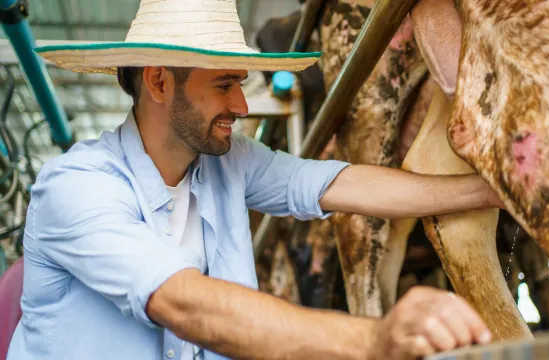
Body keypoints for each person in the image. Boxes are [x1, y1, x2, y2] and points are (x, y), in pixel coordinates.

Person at [8, 1, 504, 359]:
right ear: (159, 82)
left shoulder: (230, 162)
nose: (242, 107)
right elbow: (181, 303)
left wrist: (491, 190)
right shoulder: (76, 186)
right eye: (225, 85)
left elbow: (335, 184)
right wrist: (373, 339)